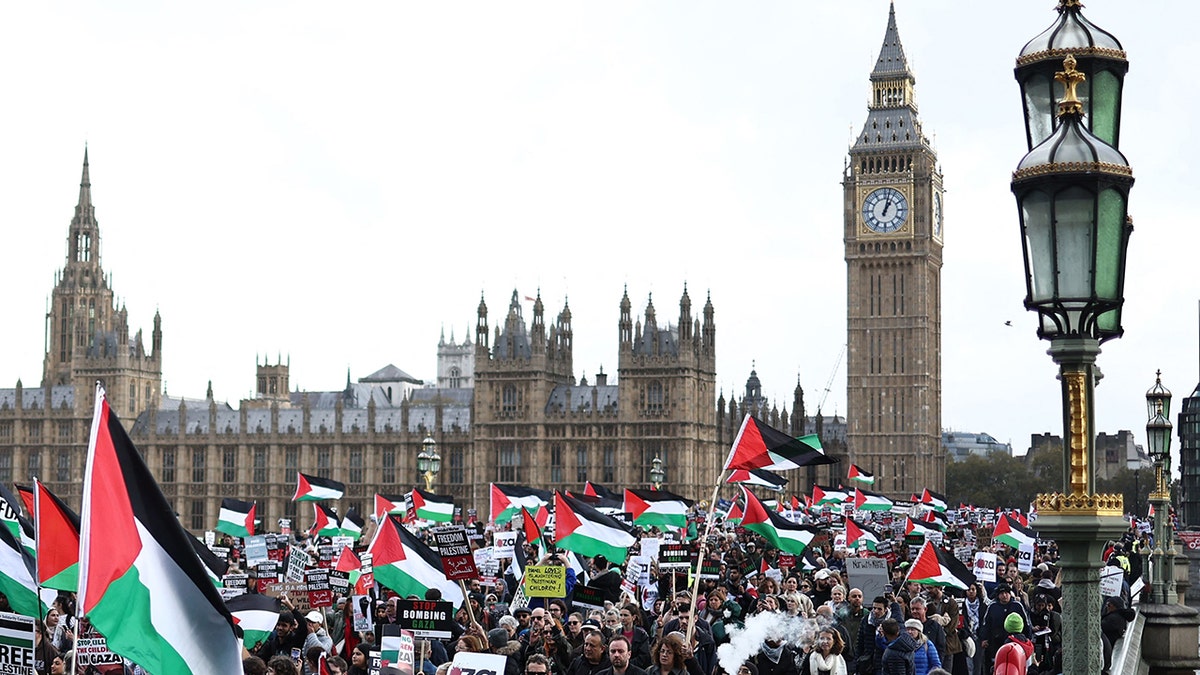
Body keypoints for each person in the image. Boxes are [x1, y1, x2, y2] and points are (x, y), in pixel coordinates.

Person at [618, 603, 653, 669]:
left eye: (625, 615)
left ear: (633, 617)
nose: (622, 618)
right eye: (621, 615)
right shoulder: (616, 633)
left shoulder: (642, 634)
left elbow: (644, 656)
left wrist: (626, 664)